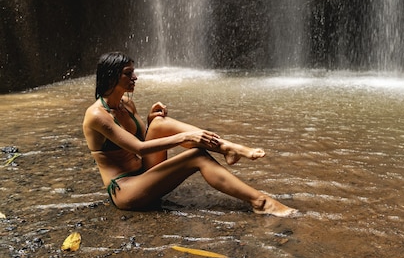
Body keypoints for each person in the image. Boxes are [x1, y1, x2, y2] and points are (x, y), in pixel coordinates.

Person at [82, 52, 297, 217]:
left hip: (143, 172)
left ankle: (227, 148)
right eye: (128, 73)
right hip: (126, 189)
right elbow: (137, 148)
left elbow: (143, 137)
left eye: (133, 72)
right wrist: (185, 138)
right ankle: (261, 202)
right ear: (111, 76)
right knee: (196, 155)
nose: (135, 77)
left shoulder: (126, 103)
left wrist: (149, 121)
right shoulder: (96, 115)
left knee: (159, 123)